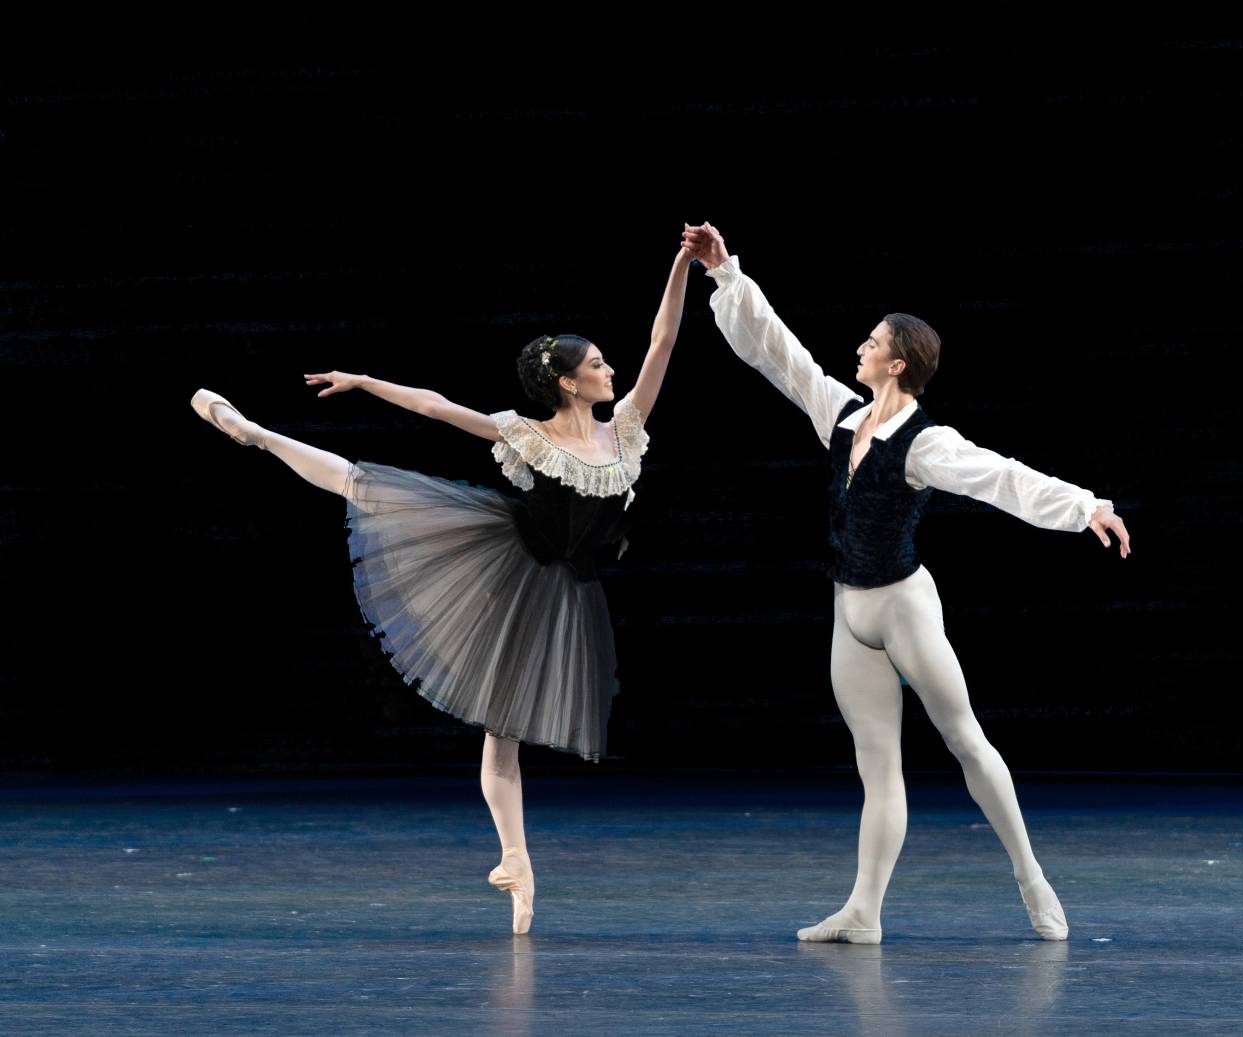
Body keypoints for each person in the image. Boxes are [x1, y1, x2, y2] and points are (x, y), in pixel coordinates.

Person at [190, 239, 695, 935]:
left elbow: (663, 336)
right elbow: (436, 408)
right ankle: (252, 431)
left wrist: (680, 264)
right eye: (599, 364)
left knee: (504, 733)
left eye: (609, 361)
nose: (613, 370)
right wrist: (366, 380)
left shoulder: (626, 428)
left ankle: (515, 861)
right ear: (570, 383)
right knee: (362, 484)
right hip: (508, 568)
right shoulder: (528, 435)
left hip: (566, 589)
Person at [682, 222, 1130, 944]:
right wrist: (727, 274)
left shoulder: (927, 442)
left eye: (871, 340)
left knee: (964, 738)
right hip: (848, 608)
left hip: (904, 605)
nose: (859, 346)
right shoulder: (841, 414)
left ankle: (1030, 874)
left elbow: (1000, 477)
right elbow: (779, 353)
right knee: (877, 765)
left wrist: (1087, 507)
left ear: (896, 363)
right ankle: (864, 910)